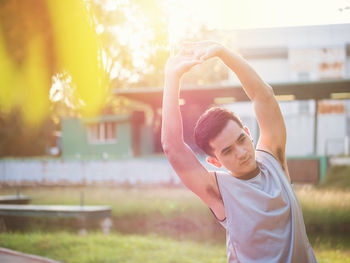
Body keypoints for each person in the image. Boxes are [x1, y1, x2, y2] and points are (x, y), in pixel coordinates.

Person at [161, 41, 318, 263]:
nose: (242, 152)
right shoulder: (219, 191)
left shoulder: (274, 160)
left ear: (247, 132)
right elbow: (172, 146)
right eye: (228, 151)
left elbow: (264, 96)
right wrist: (172, 78)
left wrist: (224, 53)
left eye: (241, 140)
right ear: (215, 162)